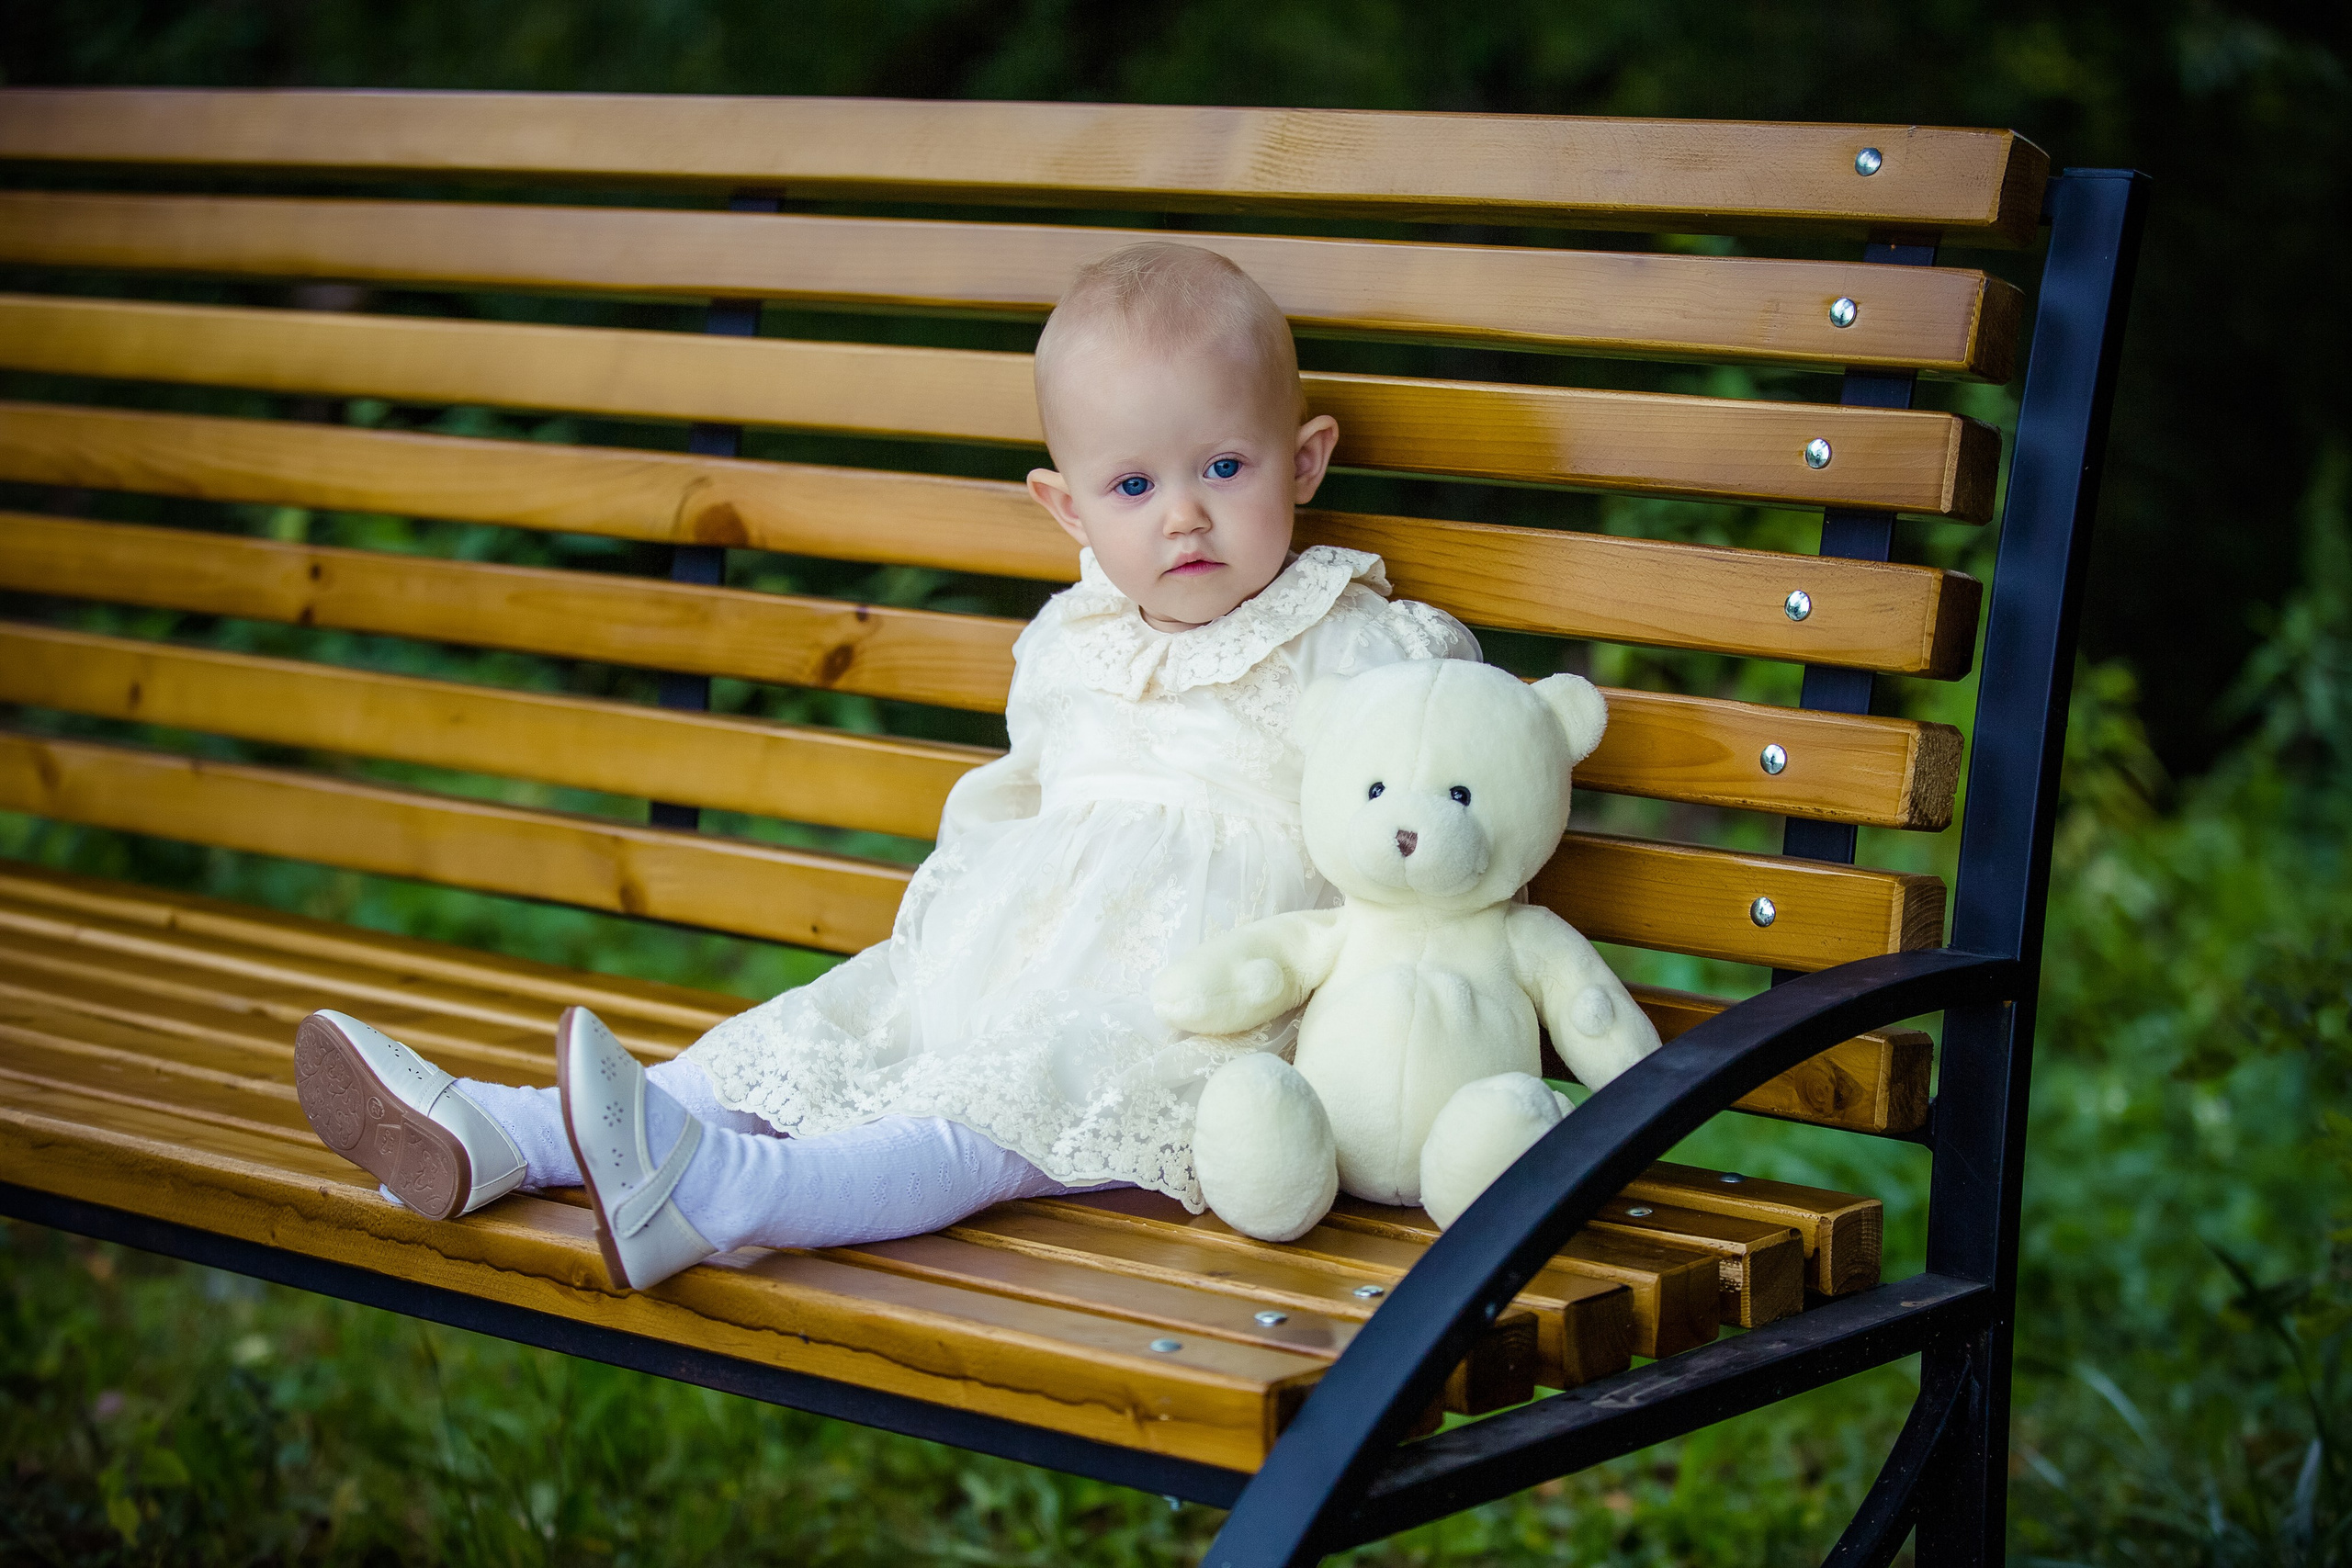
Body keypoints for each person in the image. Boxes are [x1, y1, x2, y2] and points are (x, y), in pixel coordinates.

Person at [291, 241, 1480, 1291]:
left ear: (1306, 460)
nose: (1183, 517)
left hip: (1181, 1023)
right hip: (1003, 965)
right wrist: (939, 948)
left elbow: (1441, 794)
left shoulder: (1357, 642)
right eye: (1134, 486)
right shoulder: (1075, 640)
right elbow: (1028, 801)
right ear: (1065, 508)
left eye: (1225, 468)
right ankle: (510, 1135)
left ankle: (732, 1198)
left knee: (981, 1120)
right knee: (816, 1032)